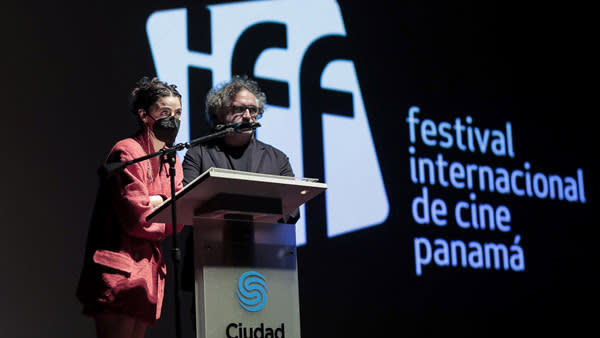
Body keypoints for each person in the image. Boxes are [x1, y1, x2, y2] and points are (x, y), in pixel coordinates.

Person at [179, 74, 299, 315]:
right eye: (239, 109)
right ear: (219, 114)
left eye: (253, 110)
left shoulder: (277, 159)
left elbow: (292, 210)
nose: (247, 116)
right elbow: (187, 203)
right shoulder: (198, 153)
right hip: (211, 263)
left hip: (265, 266)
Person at [77, 77, 185, 338]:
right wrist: (161, 203)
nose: (174, 119)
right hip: (119, 269)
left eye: (178, 113)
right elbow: (137, 218)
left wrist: (155, 202)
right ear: (144, 114)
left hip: (147, 274)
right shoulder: (127, 150)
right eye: (165, 112)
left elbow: (178, 215)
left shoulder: (172, 157)